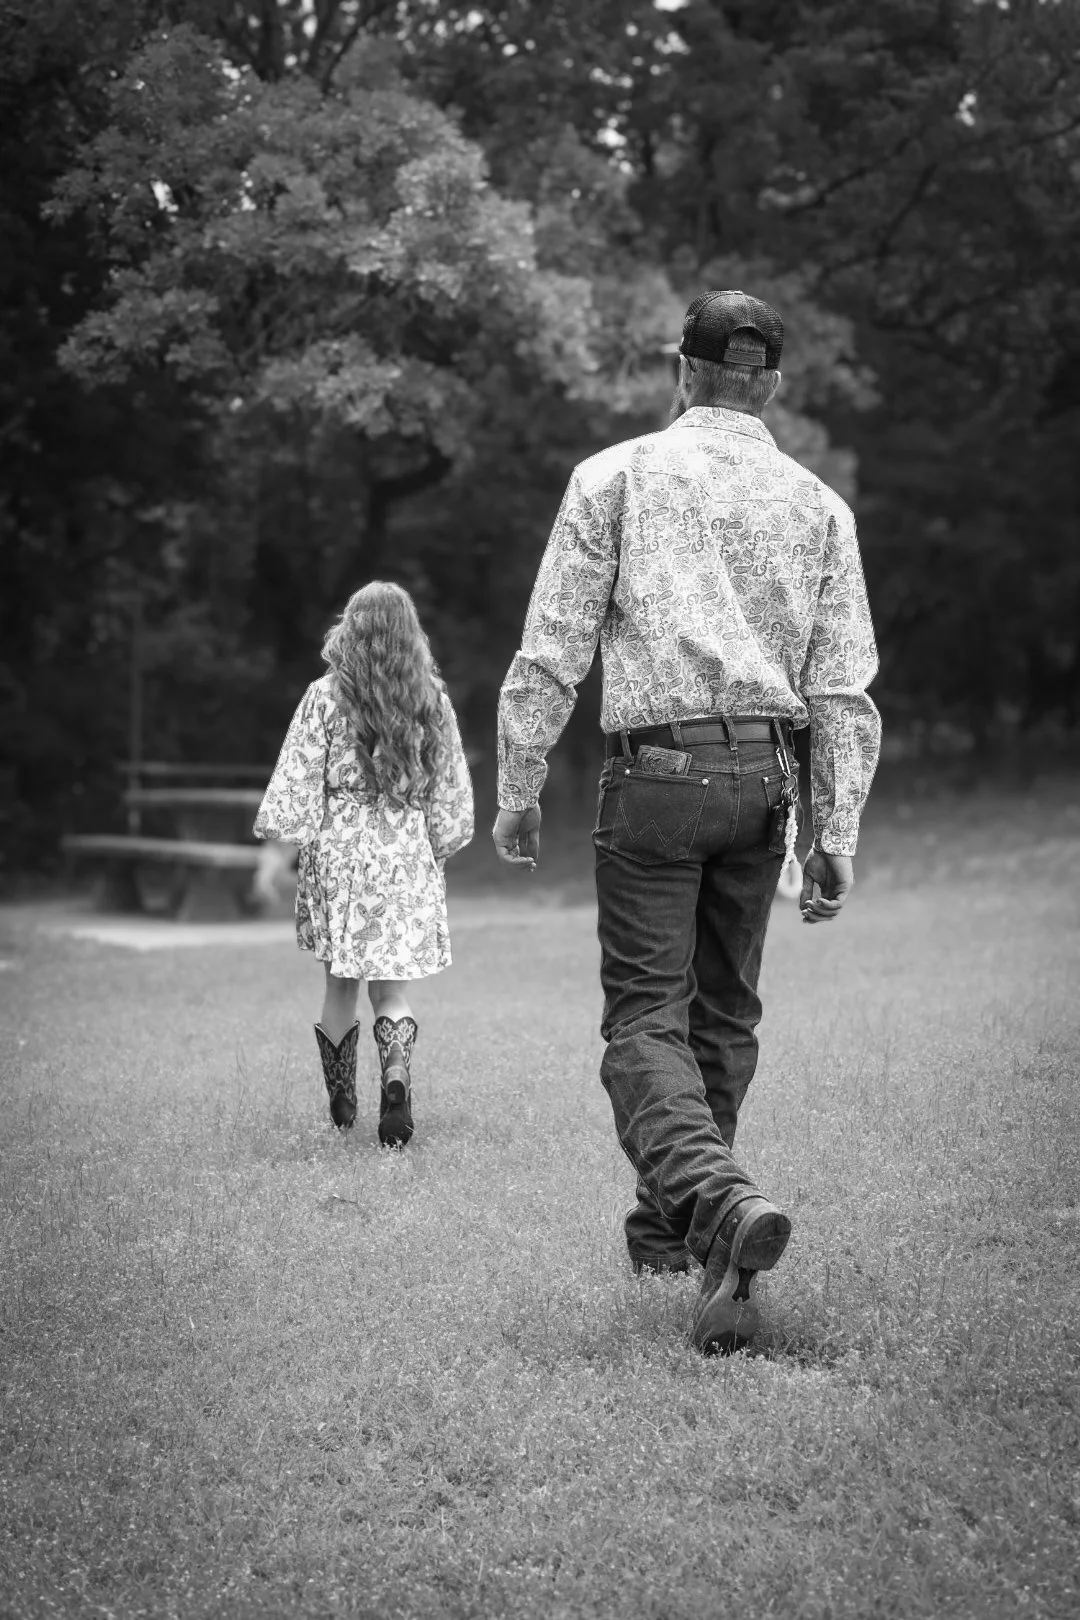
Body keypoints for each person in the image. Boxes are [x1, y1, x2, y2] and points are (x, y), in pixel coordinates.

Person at [494, 290, 881, 1353]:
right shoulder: (819, 506)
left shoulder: (614, 476)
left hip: (657, 776)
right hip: (764, 778)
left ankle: (714, 1207)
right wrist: (833, 831)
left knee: (643, 1026)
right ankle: (672, 1237)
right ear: (771, 384)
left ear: (684, 371)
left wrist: (520, 778)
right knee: (723, 1017)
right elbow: (841, 688)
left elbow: (554, 639)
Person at [255, 581, 474, 1144]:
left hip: (341, 852)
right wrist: (437, 846)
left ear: (348, 629)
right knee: (392, 992)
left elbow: (297, 783)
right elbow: (449, 795)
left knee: (340, 988)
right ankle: (396, 1071)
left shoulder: (324, 696)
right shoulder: (431, 700)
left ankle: (342, 1100)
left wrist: (282, 851)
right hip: (403, 849)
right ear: (410, 633)